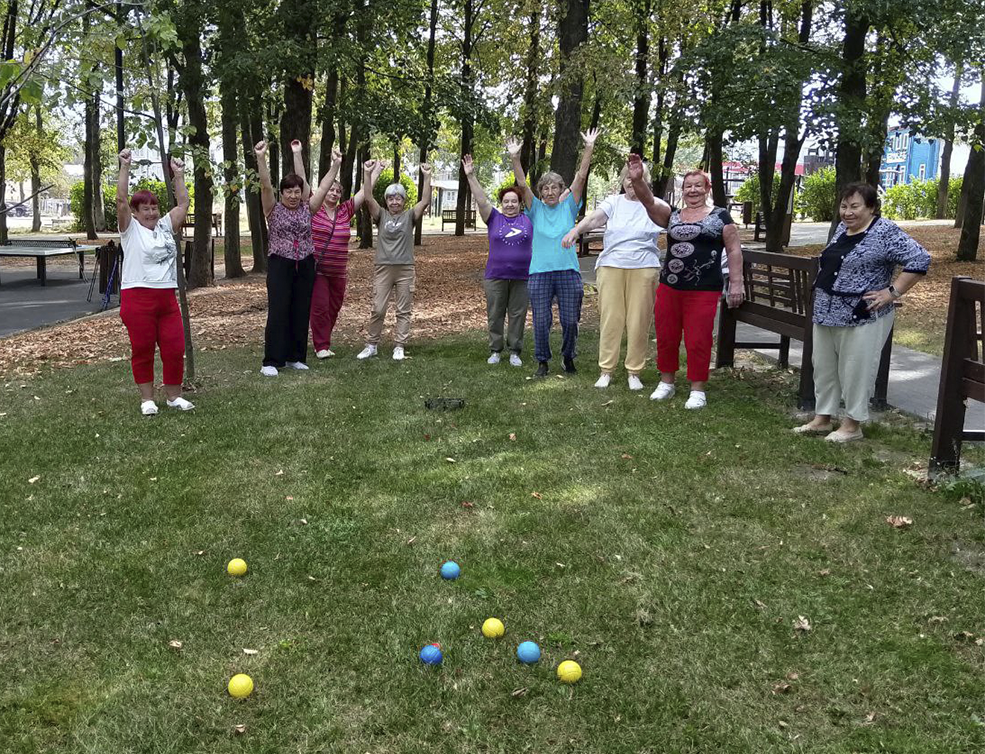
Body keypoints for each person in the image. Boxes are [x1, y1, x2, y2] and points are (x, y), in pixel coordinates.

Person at [794, 183, 930, 442]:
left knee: (856, 368)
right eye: (844, 206)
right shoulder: (841, 231)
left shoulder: (885, 232)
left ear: (871, 208)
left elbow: (920, 258)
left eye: (855, 206)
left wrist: (893, 291)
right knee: (824, 367)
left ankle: (852, 425)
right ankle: (823, 418)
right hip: (826, 311)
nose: (847, 212)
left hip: (862, 314)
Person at [630, 165, 743, 409]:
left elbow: (734, 249)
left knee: (698, 339)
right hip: (670, 287)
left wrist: (736, 283)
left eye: (697, 186)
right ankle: (667, 382)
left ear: (707, 189)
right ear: (683, 190)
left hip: (704, 288)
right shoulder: (673, 215)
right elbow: (648, 201)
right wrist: (637, 179)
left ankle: (697, 389)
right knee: (667, 335)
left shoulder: (721, 216)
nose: (692, 190)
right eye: (688, 186)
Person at [562, 155, 667, 390]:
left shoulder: (655, 205)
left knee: (639, 320)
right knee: (611, 319)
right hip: (612, 266)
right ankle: (606, 370)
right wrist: (575, 231)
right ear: (622, 181)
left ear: (645, 181)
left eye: (637, 178)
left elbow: (674, 225)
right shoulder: (613, 202)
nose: (631, 182)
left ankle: (634, 372)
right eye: (627, 178)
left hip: (644, 267)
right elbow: (593, 219)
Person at [507, 129, 598, 377]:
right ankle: (542, 361)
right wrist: (515, 158)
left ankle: (568, 357)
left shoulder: (569, 206)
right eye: (545, 188)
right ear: (541, 192)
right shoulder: (534, 209)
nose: (549, 192)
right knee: (541, 321)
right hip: (540, 274)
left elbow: (580, 176)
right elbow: (522, 185)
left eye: (554, 188)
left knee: (570, 320)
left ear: (560, 190)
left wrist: (588, 147)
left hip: (568, 272)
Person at [116, 149, 193, 416]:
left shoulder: (164, 226)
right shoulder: (130, 229)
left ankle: (174, 396)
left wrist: (179, 175)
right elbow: (121, 200)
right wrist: (125, 167)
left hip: (166, 298)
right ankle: (147, 399)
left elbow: (183, 204)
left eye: (154, 207)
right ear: (136, 212)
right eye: (145, 209)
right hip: (137, 298)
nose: (150, 212)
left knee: (174, 346)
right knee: (143, 348)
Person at [256, 139, 333, 377]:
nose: (293, 195)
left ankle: (295, 357)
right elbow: (266, 186)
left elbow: (320, 187)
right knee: (279, 310)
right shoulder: (273, 209)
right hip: (280, 262)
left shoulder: (307, 207)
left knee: (300, 310)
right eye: (288, 191)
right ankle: (271, 360)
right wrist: (261, 158)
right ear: (282, 193)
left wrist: (336, 164)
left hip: (305, 264)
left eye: (296, 191)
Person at [356, 160, 433, 361]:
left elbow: (424, 200)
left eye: (398, 198)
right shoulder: (380, 215)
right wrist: (367, 172)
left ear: (404, 201)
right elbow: (368, 196)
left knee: (403, 310)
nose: (394, 202)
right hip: (383, 268)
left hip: (405, 269)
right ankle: (372, 344)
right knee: (378, 308)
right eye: (391, 198)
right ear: (386, 201)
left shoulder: (409, 216)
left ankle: (399, 345)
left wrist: (427, 176)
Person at [309, 150, 382, 359]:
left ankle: (323, 340)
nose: (333, 193)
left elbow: (363, 193)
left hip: (339, 272)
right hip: (318, 270)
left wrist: (376, 171)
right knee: (320, 307)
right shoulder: (314, 209)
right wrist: (336, 164)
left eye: (337, 191)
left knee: (333, 307)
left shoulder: (344, 211)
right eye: (330, 190)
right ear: (323, 192)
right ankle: (321, 346)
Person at [462, 154, 531, 367]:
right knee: (495, 314)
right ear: (501, 203)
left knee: (518, 314)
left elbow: (526, 188)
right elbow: (481, 199)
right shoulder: (494, 218)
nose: (510, 205)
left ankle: (515, 351)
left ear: (520, 204)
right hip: (495, 276)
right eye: (506, 201)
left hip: (523, 276)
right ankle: (495, 349)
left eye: (514, 201)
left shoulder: (529, 219)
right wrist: (471, 176)